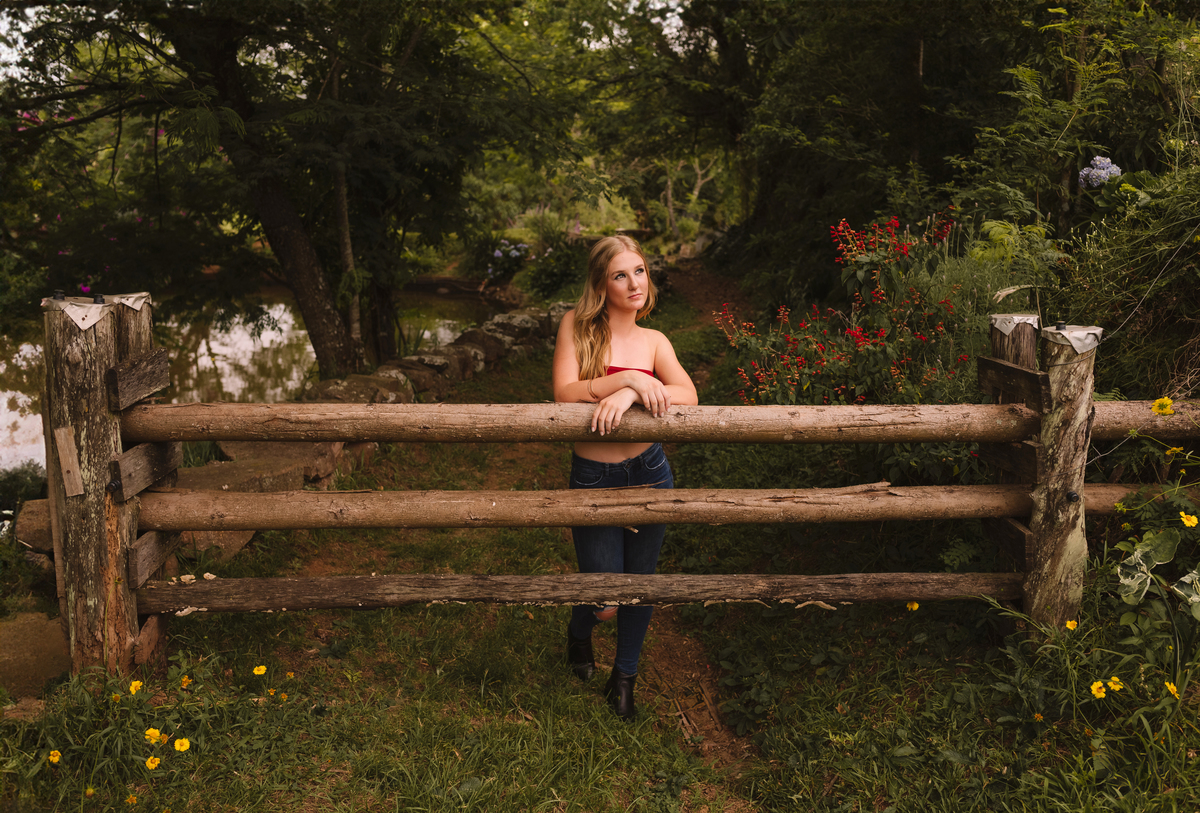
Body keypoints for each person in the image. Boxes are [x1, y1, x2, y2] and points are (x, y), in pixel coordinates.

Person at [551, 235, 698, 720]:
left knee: (640, 583)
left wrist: (637, 396)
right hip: (594, 475)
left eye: (640, 271)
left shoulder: (655, 340)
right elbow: (564, 393)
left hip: (650, 471)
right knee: (606, 595)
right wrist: (627, 380)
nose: (634, 282)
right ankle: (580, 630)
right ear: (601, 283)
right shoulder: (576, 326)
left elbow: (688, 395)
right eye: (620, 274)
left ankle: (625, 677)